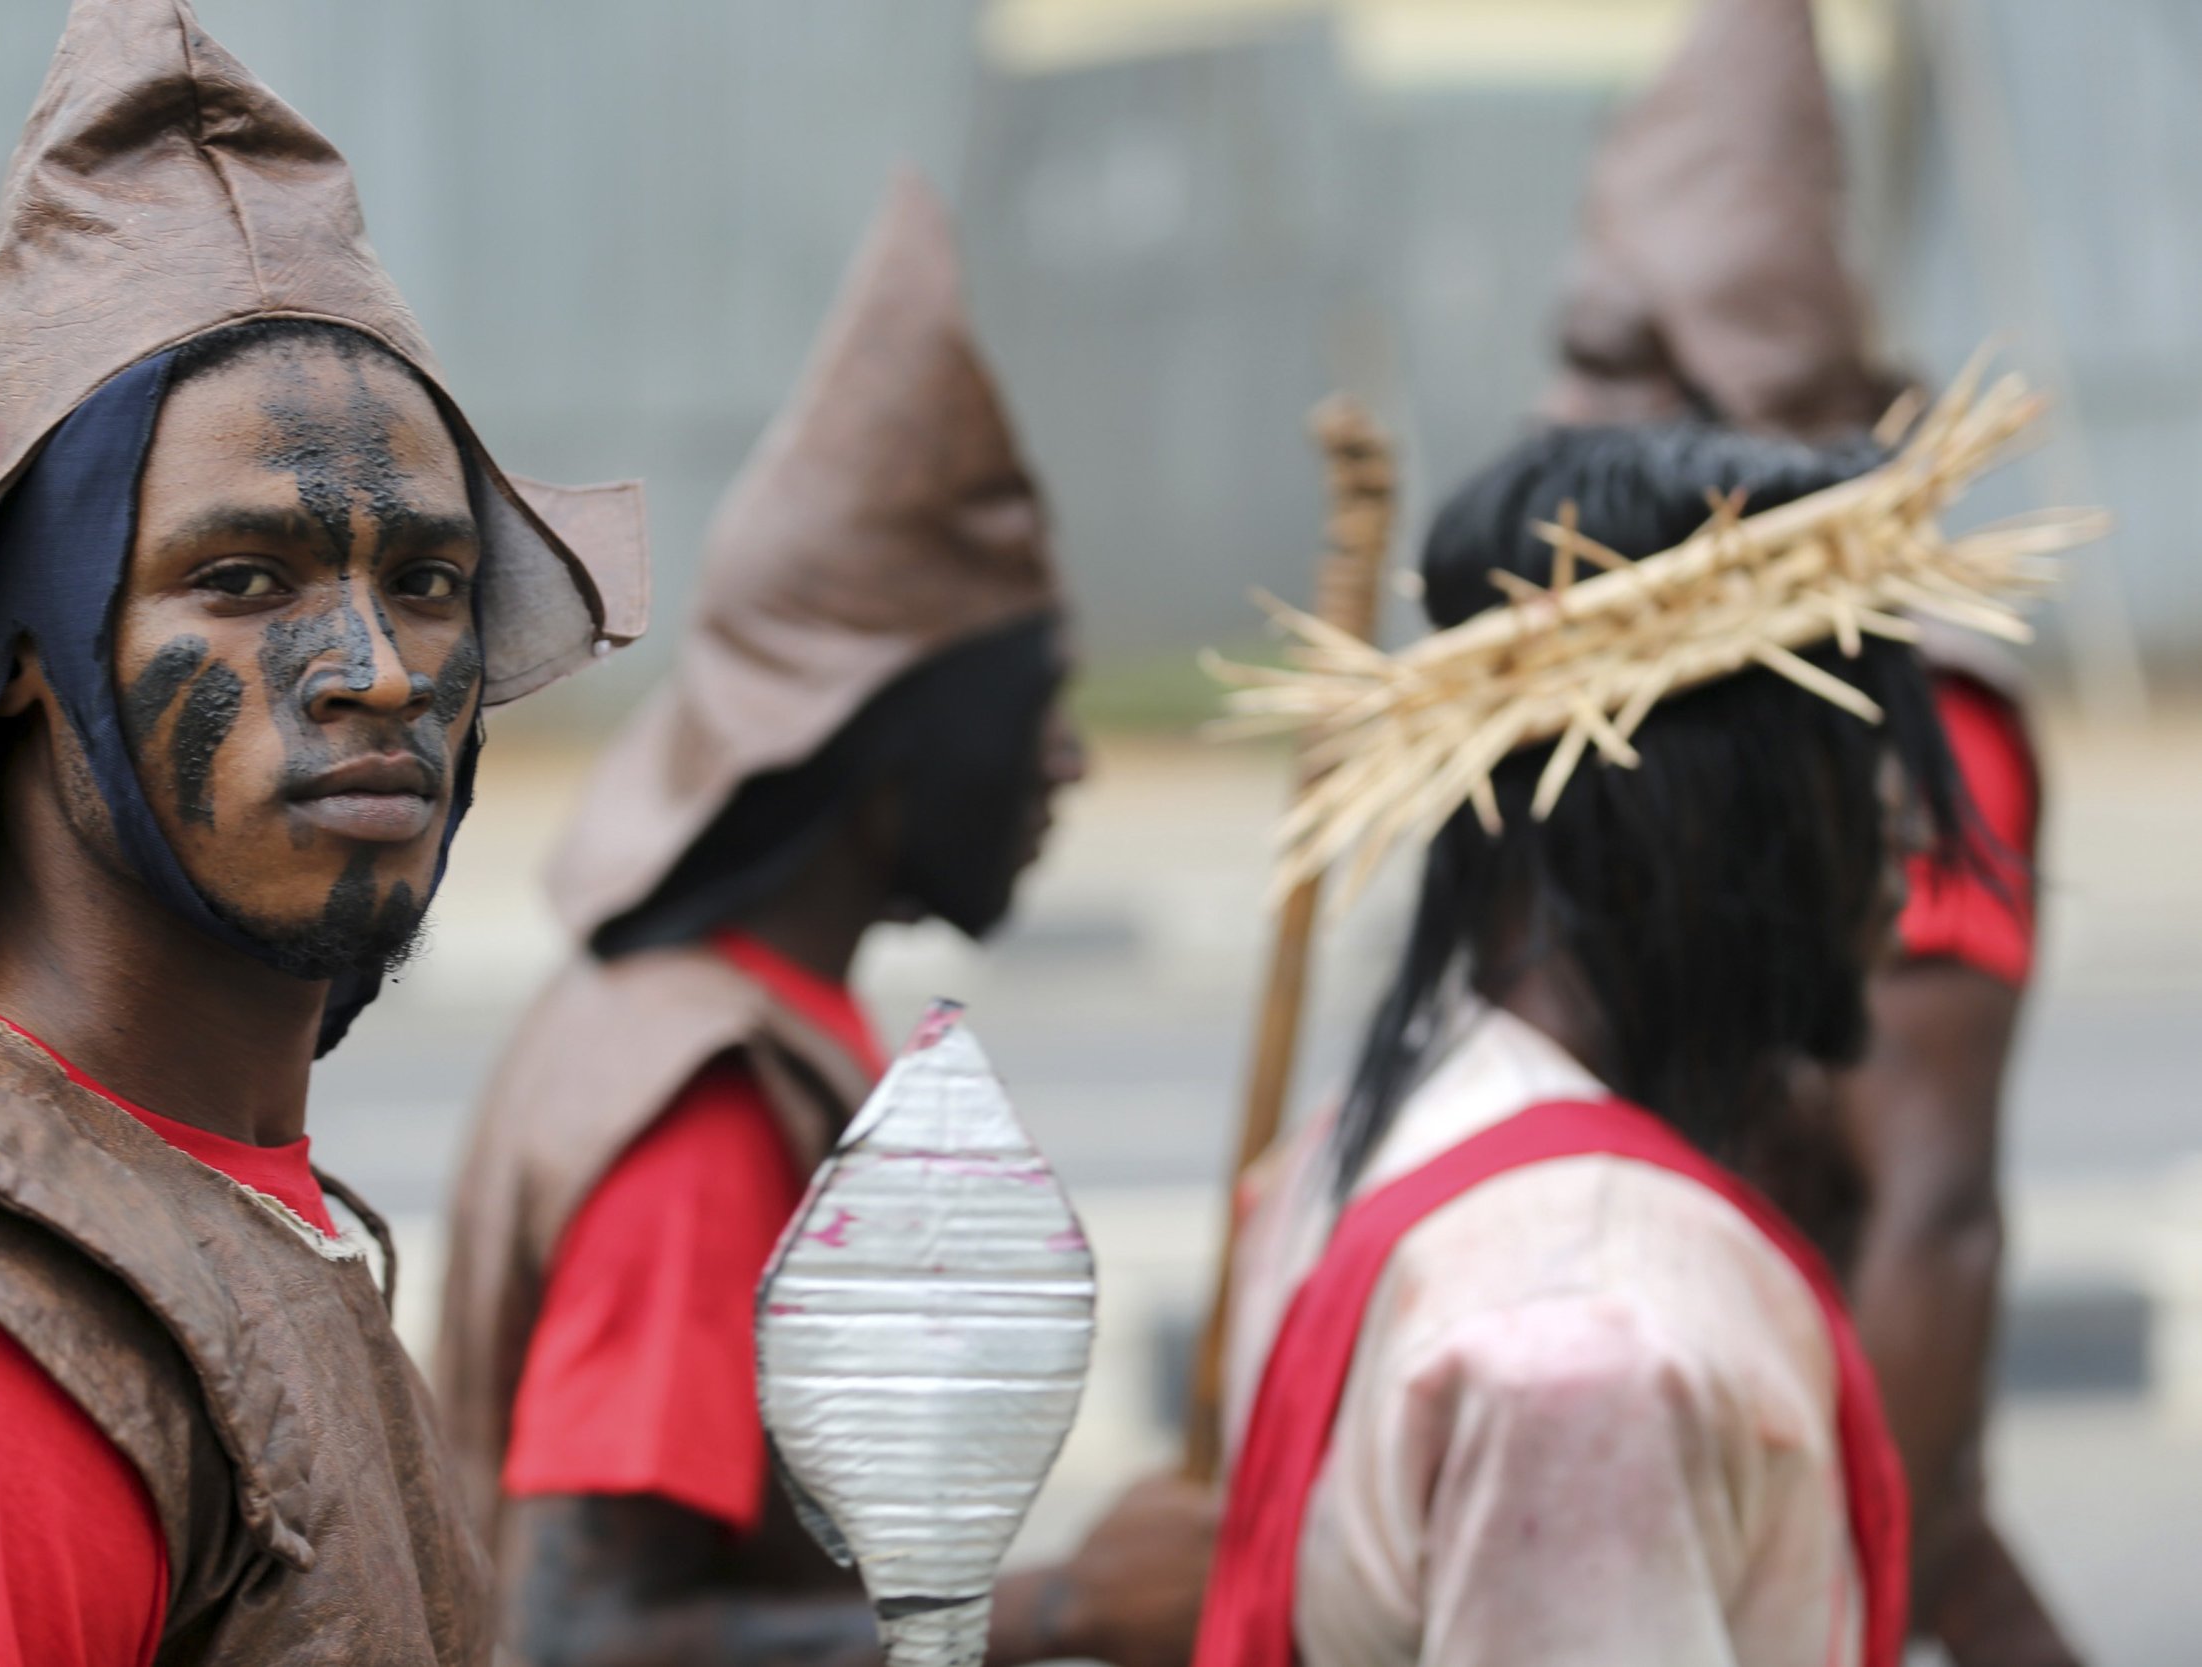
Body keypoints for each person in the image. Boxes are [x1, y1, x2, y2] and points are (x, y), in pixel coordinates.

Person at [0, 2, 645, 1661]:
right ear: (23, 665)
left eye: (427, 584)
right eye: (243, 579)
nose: (373, 672)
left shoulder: (222, 1195)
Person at [435, 171, 1215, 1667]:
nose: (1073, 759)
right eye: (1033, 707)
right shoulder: (704, 1109)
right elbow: (587, 1633)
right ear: (885, 758)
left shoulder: (756, 1020)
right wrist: (1067, 1608)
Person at [1202, 420, 1989, 1665]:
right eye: (1850, 749)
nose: (1901, 827)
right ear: (1707, 796)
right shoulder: (1597, 1335)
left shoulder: (1354, 1150)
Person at [1547, 0, 2073, 1656]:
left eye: (1625, 379)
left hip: (1809, 1465)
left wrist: (1846, 1592)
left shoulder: (1924, 729)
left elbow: (1932, 1207)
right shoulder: (1601, 671)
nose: (1568, 420)